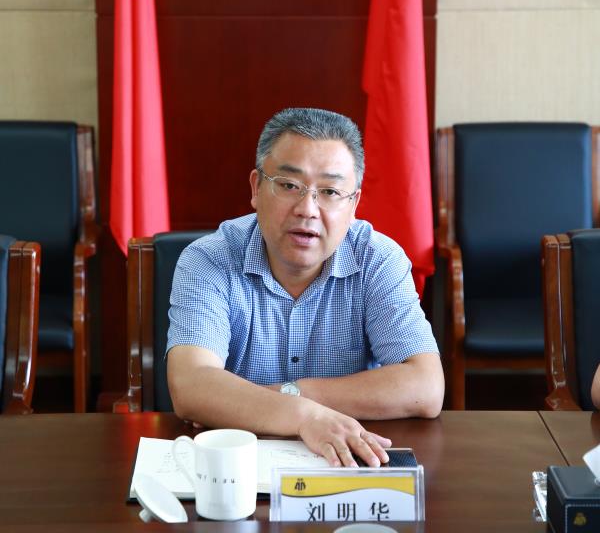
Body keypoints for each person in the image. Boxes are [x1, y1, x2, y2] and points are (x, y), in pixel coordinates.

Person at [167, 107, 444, 467]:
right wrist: (305, 416)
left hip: (346, 463)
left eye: (330, 191)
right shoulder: (208, 260)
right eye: (289, 186)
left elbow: (426, 387)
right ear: (256, 188)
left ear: (354, 204)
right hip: (236, 470)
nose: (308, 209)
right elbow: (191, 385)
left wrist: (288, 394)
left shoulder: (378, 259)